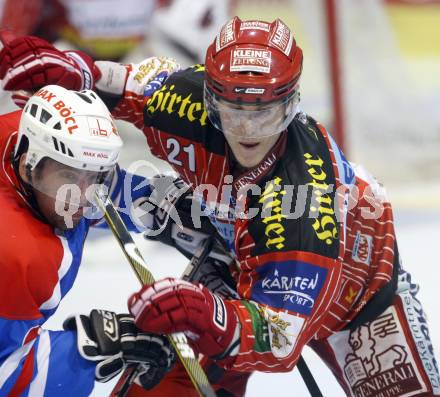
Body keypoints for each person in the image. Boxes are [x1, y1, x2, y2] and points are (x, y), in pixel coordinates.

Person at [1, 17, 439, 397]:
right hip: (236, 254)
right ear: (210, 98)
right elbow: (134, 83)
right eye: (233, 110)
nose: (247, 130)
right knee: (158, 370)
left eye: (264, 114)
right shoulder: (188, 101)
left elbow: (281, 336)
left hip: (357, 297)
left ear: (291, 105)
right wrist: (76, 71)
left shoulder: (306, 208)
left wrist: (208, 313)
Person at [0, 84, 177, 396]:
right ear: (30, 169)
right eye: (68, 178)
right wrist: (87, 349)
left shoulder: (21, 135)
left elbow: (94, 181)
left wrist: (164, 204)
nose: (82, 197)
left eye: (95, 177)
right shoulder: (20, 256)